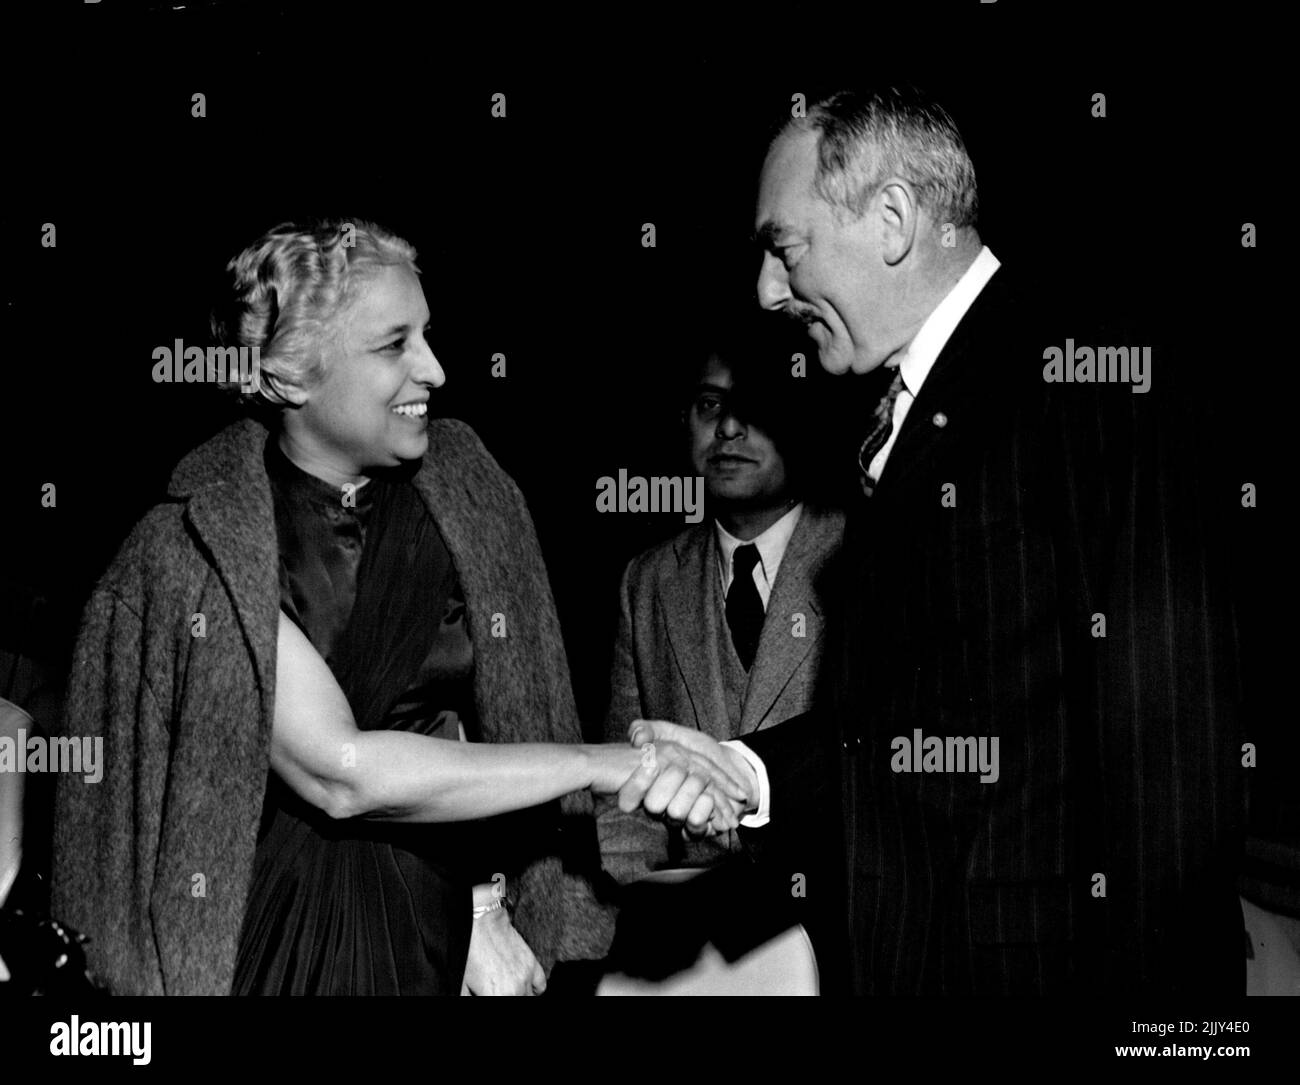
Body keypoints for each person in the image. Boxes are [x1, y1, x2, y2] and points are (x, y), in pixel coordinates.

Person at [621, 88, 1247, 995]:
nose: (767, 291)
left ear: (892, 219)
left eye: (782, 247)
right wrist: (745, 770)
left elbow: (1172, 759)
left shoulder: (1087, 377)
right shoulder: (906, 417)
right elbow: (913, 731)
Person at [50, 219, 746, 996]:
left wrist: (489, 906)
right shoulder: (195, 547)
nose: (436, 368)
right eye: (394, 345)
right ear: (287, 377)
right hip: (268, 945)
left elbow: (508, 719)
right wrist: (613, 762)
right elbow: (341, 769)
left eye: (428, 335)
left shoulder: (471, 493)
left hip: (442, 930)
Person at [598, 315, 844, 885]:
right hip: (694, 942)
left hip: (842, 934)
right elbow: (623, 791)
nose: (729, 428)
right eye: (710, 406)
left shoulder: (865, 561)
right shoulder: (649, 580)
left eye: (755, 407)